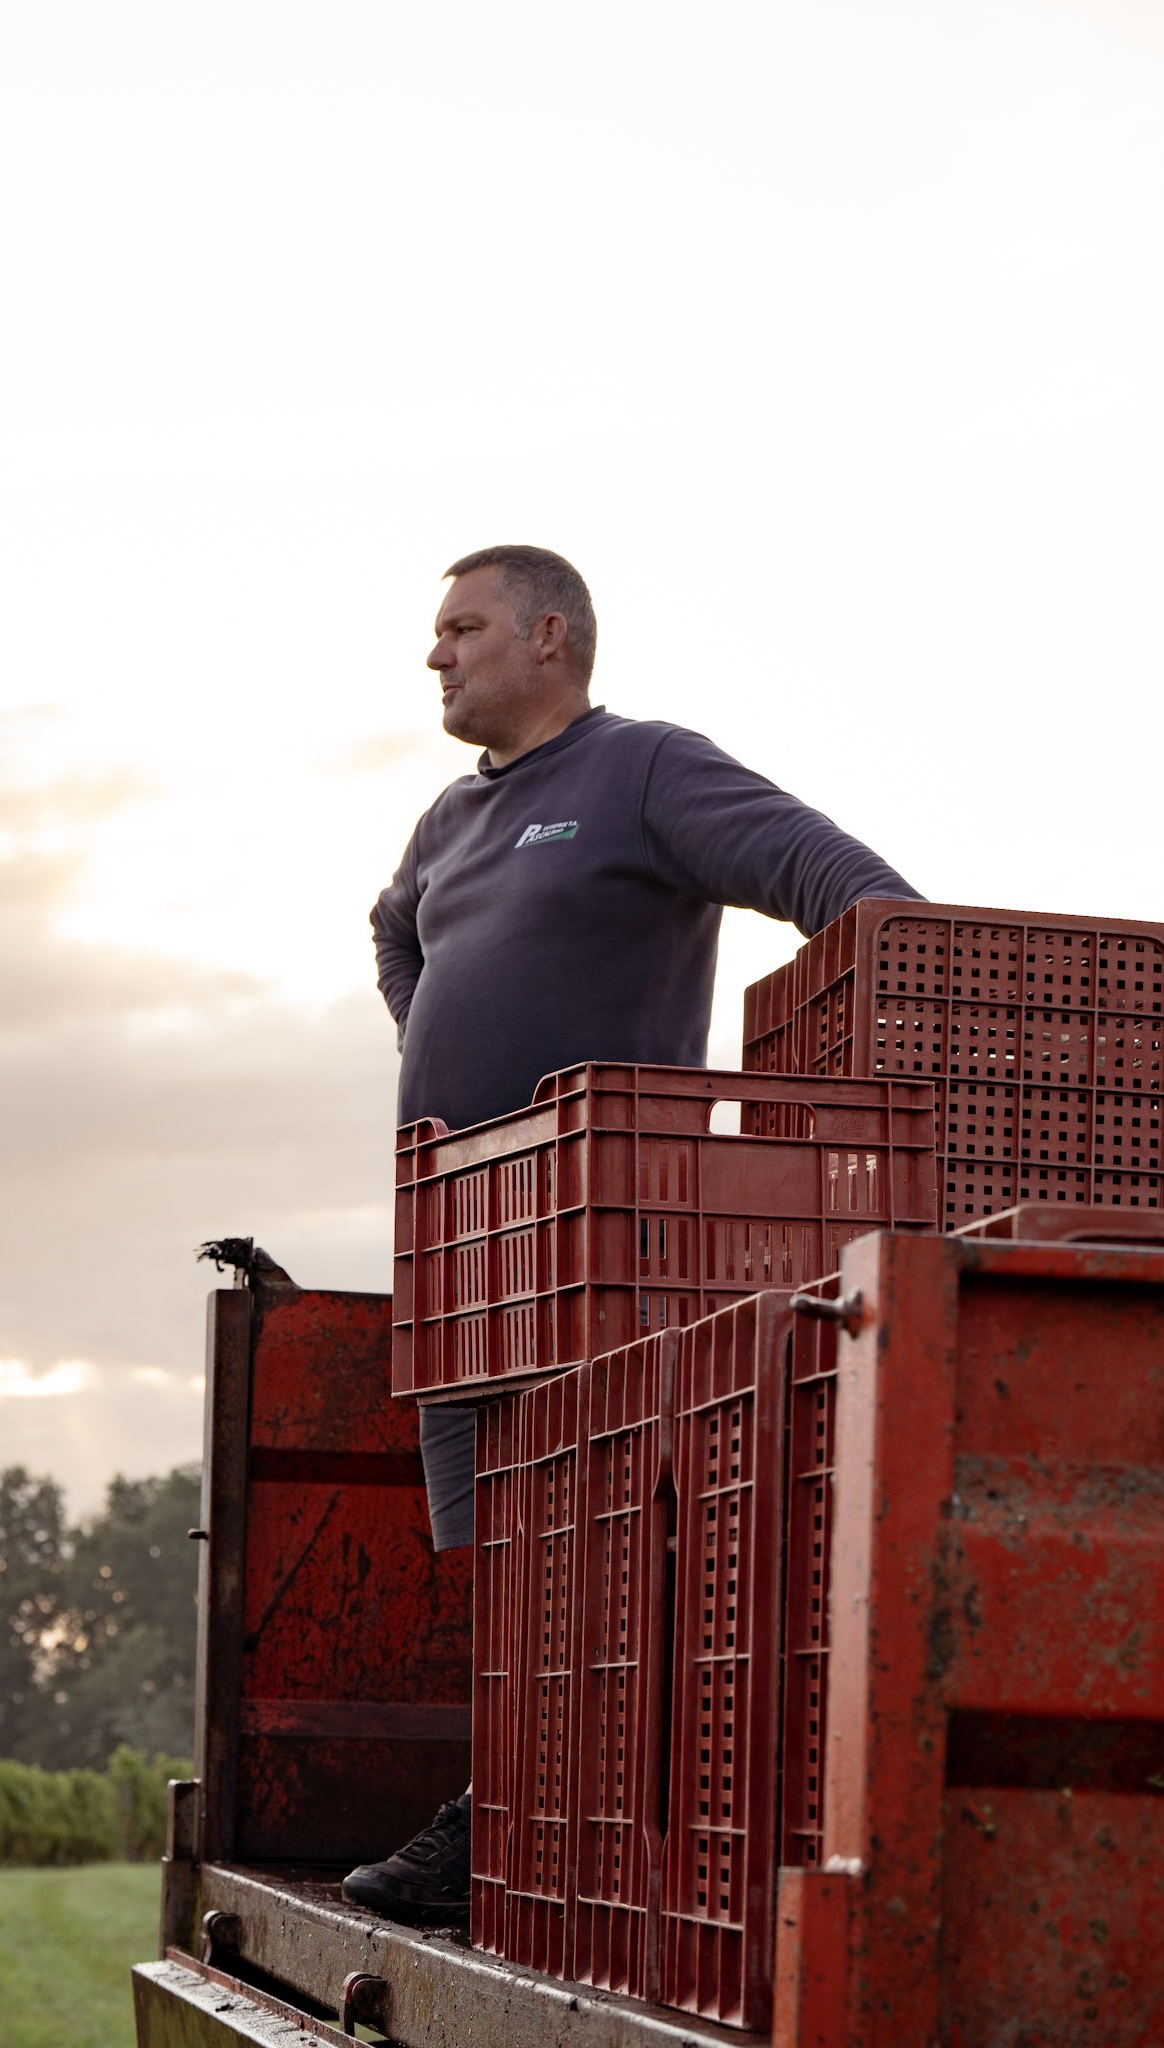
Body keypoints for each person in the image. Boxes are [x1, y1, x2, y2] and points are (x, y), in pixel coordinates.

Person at [340, 544, 923, 1924]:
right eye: (435, 632)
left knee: (592, 1549)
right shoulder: (444, 822)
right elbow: (389, 933)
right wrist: (436, 1035)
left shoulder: (643, 772)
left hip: (602, 1238)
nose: (436, 654)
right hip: (460, 1237)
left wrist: (867, 1047)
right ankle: (512, 1826)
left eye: (461, 628)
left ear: (549, 637)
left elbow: (837, 877)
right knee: (494, 1561)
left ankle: (527, 1837)